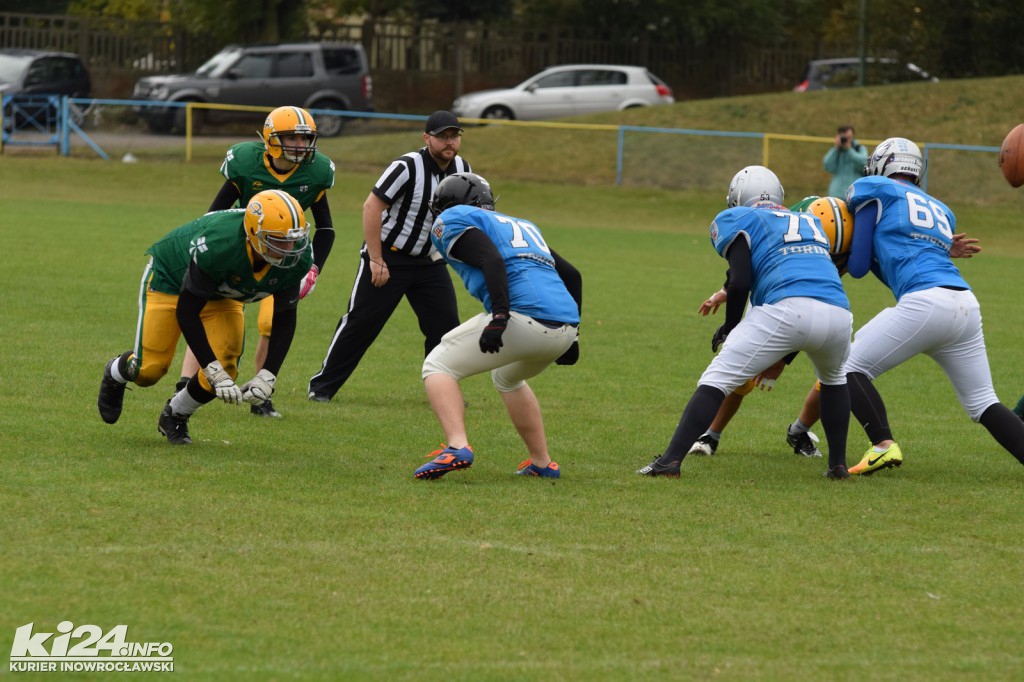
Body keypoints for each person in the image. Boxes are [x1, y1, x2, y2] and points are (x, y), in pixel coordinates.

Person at [638, 166, 853, 479]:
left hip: (785, 308)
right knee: (834, 380)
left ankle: (670, 461)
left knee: (717, 378)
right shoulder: (809, 220)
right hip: (838, 312)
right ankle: (837, 467)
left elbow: (741, 281)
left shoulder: (737, 218)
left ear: (737, 196)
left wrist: (730, 327)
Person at [840, 137, 1024, 474]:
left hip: (925, 303)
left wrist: (841, 252)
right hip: (965, 303)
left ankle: (883, 445)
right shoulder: (941, 209)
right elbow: (908, 251)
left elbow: (859, 266)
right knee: (984, 402)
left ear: (883, 163)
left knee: (846, 367)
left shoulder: (872, 188)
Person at [97, 190, 313, 445]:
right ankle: (116, 372)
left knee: (227, 367)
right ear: (254, 234)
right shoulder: (220, 244)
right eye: (278, 240)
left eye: (293, 239)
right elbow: (188, 311)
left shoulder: (296, 257)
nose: (289, 249)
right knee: (150, 370)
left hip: (221, 293)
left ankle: (175, 414)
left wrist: (268, 374)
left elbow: (285, 317)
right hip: (172, 278)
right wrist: (211, 369)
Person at [412, 172, 582, 480]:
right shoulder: (524, 225)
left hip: (524, 318)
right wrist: (575, 338)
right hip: (564, 327)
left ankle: (457, 446)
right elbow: (573, 275)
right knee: (507, 379)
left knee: (437, 366)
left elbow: (491, 259)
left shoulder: (453, 218)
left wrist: (500, 316)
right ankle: (542, 464)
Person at [175, 106, 336, 418]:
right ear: (272, 138)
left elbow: (326, 228)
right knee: (206, 311)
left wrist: (315, 268)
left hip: (286, 257)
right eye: (293, 137)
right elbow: (214, 215)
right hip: (243, 253)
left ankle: (261, 393)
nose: (301, 146)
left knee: (272, 321)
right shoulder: (248, 164)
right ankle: (184, 383)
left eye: (305, 138)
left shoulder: (315, 172)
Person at [308, 110, 471, 402]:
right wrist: (376, 259)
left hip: (429, 261)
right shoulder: (407, 166)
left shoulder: (461, 167)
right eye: (443, 136)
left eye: (454, 136)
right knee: (360, 323)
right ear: (427, 138)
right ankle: (321, 388)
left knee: (445, 327)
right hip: (389, 257)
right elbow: (372, 207)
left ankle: (443, 392)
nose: (450, 142)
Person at [687, 196, 851, 459]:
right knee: (740, 375)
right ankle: (710, 434)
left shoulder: (838, 232)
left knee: (837, 375)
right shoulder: (801, 218)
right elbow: (750, 260)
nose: (840, 263)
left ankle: (800, 431)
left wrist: (784, 359)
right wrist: (727, 290)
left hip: (818, 302)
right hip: (774, 295)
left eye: (842, 256)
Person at [823, 124, 867, 197]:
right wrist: (836, 148)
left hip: (854, 193)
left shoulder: (859, 149)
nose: (846, 140)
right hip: (836, 194)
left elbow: (863, 163)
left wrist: (849, 149)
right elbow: (827, 165)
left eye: (848, 137)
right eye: (844, 138)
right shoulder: (837, 151)